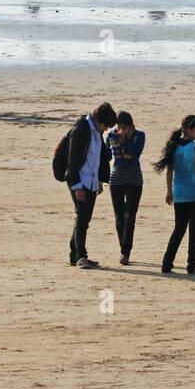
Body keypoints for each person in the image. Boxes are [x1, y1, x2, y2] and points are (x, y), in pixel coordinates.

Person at [153, 115, 195, 274]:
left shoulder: (174, 146)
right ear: (188, 130)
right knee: (194, 230)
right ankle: (191, 265)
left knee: (179, 229)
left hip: (180, 193)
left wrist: (169, 190)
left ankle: (166, 263)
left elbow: (169, 172)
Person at [65, 102, 118, 269]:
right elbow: (72, 160)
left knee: (84, 219)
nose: (105, 129)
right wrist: (77, 186)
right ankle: (80, 256)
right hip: (80, 181)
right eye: (105, 126)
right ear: (98, 121)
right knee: (82, 219)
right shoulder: (81, 131)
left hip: (92, 181)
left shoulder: (96, 132)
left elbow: (98, 159)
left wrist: (100, 181)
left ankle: (76, 255)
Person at [105, 111, 145, 265]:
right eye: (120, 126)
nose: (122, 129)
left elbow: (135, 154)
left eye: (125, 126)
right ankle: (123, 247)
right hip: (116, 179)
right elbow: (107, 156)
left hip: (134, 179)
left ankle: (125, 252)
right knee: (119, 218)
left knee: (130, 217)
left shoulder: (139, 135)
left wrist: (125, 141)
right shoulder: (110, 136)